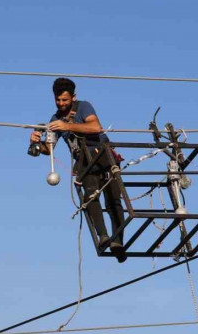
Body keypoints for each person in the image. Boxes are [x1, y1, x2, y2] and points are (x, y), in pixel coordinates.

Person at [30, 77, 127, 263]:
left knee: (113, 199)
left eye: (65, 100)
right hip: (83, 162)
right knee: (90, 195)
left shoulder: (84, 107)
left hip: (103, 156)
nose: (61, 103)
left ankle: (118, 242)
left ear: (73, 97)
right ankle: (103, 236)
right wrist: (37, 141)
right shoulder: (55, 119)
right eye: (58, 100)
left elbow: (95, 126)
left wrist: (68, 126)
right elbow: (49, 149)